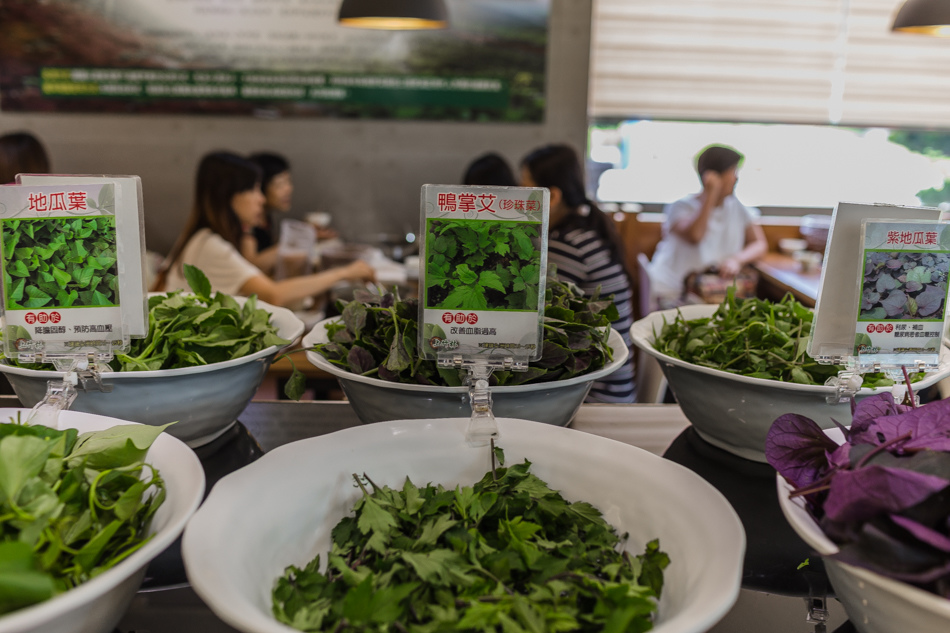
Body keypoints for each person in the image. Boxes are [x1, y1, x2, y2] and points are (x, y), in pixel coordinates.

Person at [155, 151, 374, 307]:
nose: (261, 200)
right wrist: (347, 272)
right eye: (255, 190)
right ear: (230, 195)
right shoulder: (210, 245)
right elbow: (274, 295)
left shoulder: (203, 237)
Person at [520, 144, 636, 403]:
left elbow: (537, 321)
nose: (518, 198)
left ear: (552, 196)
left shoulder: (567, 246)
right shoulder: (585, 231)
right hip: (612, 385)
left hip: (597, 395)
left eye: (524, 188)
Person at [647, 144, 768, 307]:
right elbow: (695, 236)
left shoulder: (737, 208)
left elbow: (760, 244)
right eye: (733, 171)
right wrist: (711, 193)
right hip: (673, 291)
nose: (736, 178)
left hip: (713, 292)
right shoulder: (680, 207)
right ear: (712, 176)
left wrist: (737, 260)